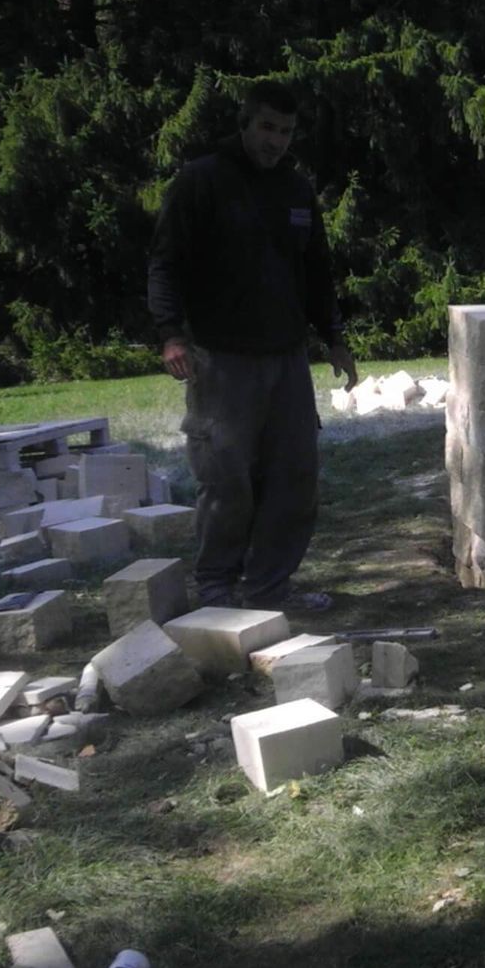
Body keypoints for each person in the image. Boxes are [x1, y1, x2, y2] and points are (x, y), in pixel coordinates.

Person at [147, 80, 358, 611]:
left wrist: (333, 337)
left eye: (286, 132)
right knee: (226, 479)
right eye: (267, 128)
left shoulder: (295, 190)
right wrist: (170, 332)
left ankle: (269, 588)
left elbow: (316, 270)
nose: (276, 141)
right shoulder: (202, 182)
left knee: (294, 477)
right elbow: (166, 262)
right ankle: (217, 588)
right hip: (221, 359)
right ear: (245, 124)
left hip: (286, 357)